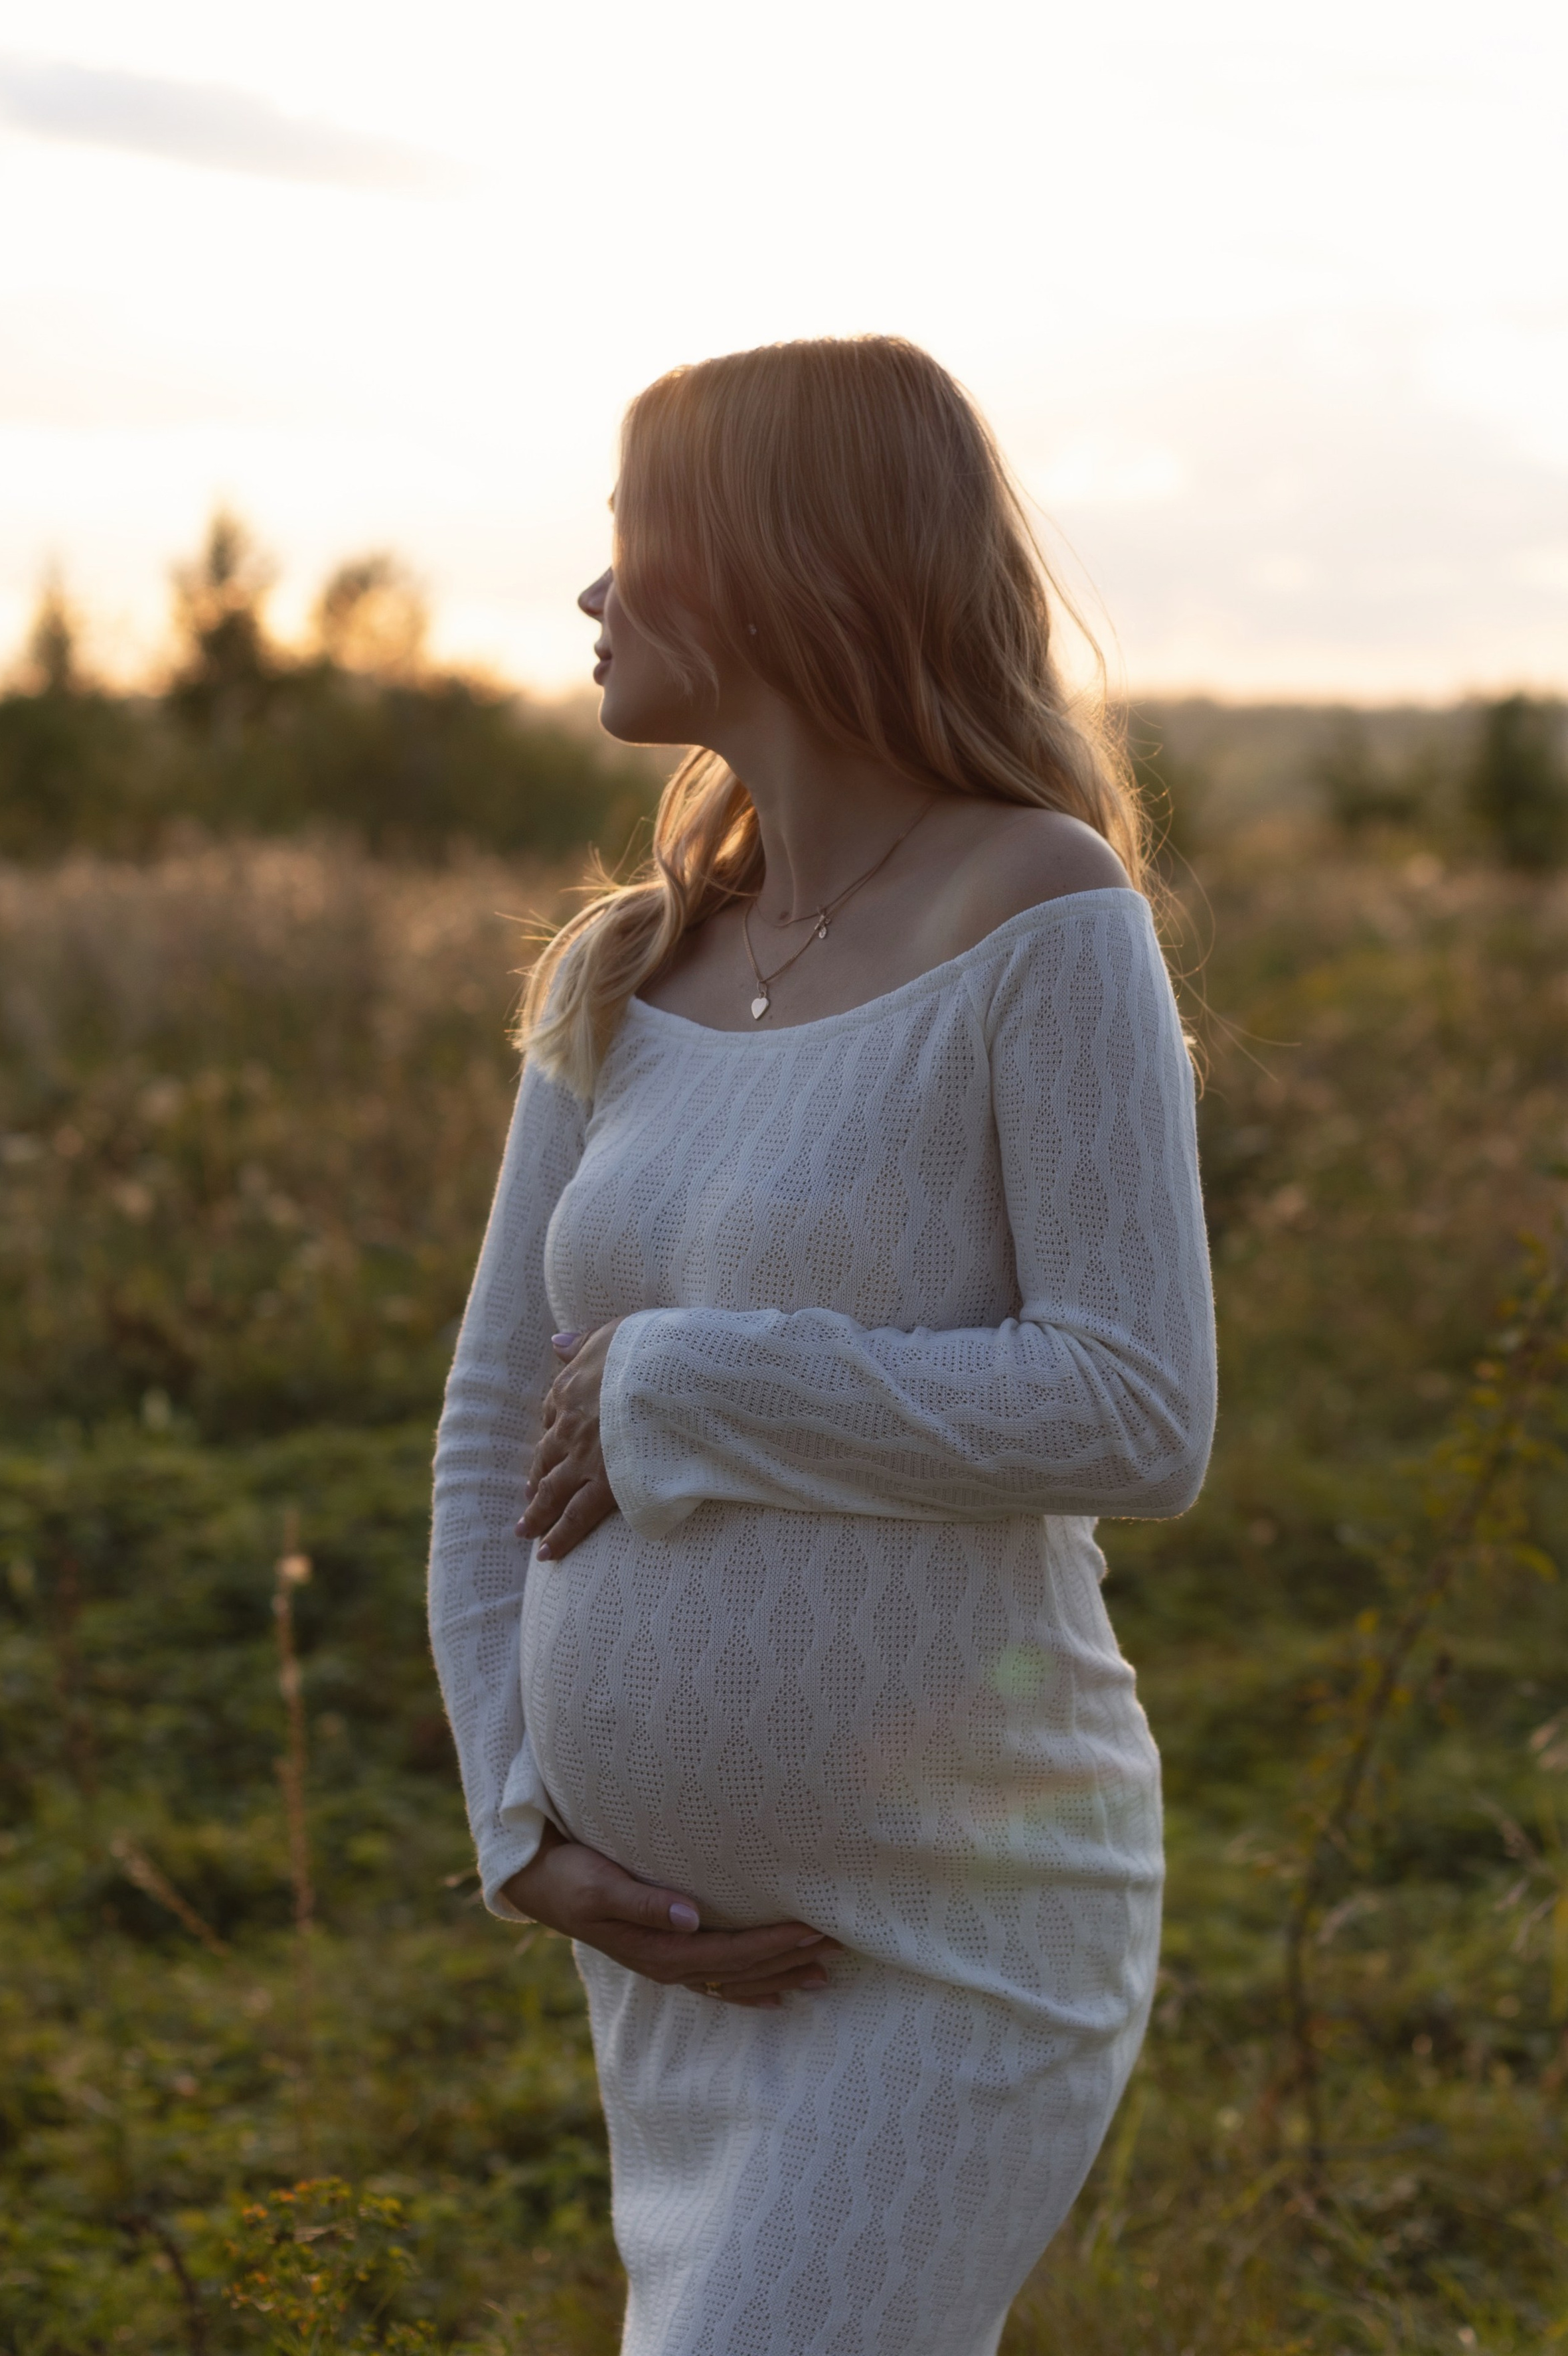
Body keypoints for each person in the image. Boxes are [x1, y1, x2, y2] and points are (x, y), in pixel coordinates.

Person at [429, 335, 1217, 2355]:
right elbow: (488, 1427)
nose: (594, 595)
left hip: (957, 1928)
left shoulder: (1043, 911)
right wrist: (519, 1808)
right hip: (685, 1958)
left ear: (780, 563)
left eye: (634, 542)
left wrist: (697, 1380)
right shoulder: (632, 963)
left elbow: (1137, 1406)